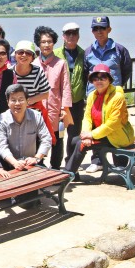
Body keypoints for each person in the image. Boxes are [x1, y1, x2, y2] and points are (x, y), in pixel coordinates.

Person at [64, 64, 135, 181]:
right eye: (95, 78)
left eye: (103, 78)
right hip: (101, 135)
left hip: (117, 136)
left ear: (109, 79)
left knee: (81, 145)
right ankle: (73, 172)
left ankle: (67, 175)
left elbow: (114, 123)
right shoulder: (92, 95)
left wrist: (91, 135)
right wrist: (86, 133)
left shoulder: (117, 97)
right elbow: (87, 117)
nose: (99, 81)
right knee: (74, 141)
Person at [83, 16, 131, 173]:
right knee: (96, 126)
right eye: (96, 29)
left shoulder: (120, 49)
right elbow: (85, 73)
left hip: (113, 98)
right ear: (92, 31)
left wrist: (117, 88)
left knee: (115, 126)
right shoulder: (88, 51)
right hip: (95, 97)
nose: (99, 31)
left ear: (109, 29)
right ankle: (97, 161)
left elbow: (126, 71)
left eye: (102, 28)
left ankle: (120, 162)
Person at [34, 26, 73, 170]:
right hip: (38, 108)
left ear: (54, 43)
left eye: (49, 41)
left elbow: (65, 87)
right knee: (38, 138)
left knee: (57, 138)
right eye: (43, 42)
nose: (46, 45)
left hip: (55, 107)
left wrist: (64, 108)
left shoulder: (60, 63)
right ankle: (39, 166)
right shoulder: (33, 64)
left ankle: (56, 167)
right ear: (38, 43)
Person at [0, 84, 52, 171]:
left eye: (21, 99)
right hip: (9, 164)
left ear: (27, 101)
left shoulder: (36, 116)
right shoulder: (1, 120)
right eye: (13, 100)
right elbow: (1, 146)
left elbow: (46, 138)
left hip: (31, 162)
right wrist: (14, 162)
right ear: (8, 102)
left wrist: (36, 158)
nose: (17, 103)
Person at [54, 23, 87, 168]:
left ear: (78, 36)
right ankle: (55, 166)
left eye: (74, 33)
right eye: (68, 34)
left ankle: (71, 166)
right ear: (63, 36)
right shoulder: (55, 54)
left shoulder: (84, 54)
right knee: (58, 136)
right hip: (58, 103)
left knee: (74, 137)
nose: (71, 36)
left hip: (77, 102)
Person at [12, 40, 55, 143]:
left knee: (35, 143)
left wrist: (27, 102)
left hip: (34, 112)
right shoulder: (10, 71)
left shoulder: (37, 71)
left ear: (32, 57)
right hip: (14, 112)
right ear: (15, 55)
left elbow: (46, 94)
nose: (24, 55)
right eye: (20, 52)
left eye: (28, 53)